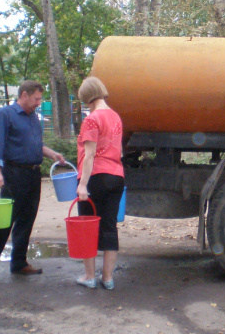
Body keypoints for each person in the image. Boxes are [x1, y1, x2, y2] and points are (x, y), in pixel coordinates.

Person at [0, 80, 65, 284]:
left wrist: (52, 154)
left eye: (40, 99)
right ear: (24, 95)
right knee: (4, 222)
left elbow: (34, 144)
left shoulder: (33, 117)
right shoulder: (4, 115)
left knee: (26, 220)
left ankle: (19, 263)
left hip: (33, 175)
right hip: (13, 175)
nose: (39, 103)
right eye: (36, 98)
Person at [74, 76, 124, 290]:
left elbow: (90, 154)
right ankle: (108, 278)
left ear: (86, 98)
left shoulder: (92, 119)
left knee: (88, 227)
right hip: (116, 176)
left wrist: (83, 184)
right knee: (109, 226)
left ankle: (89, 277)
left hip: (96, 177)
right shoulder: (115, 117)